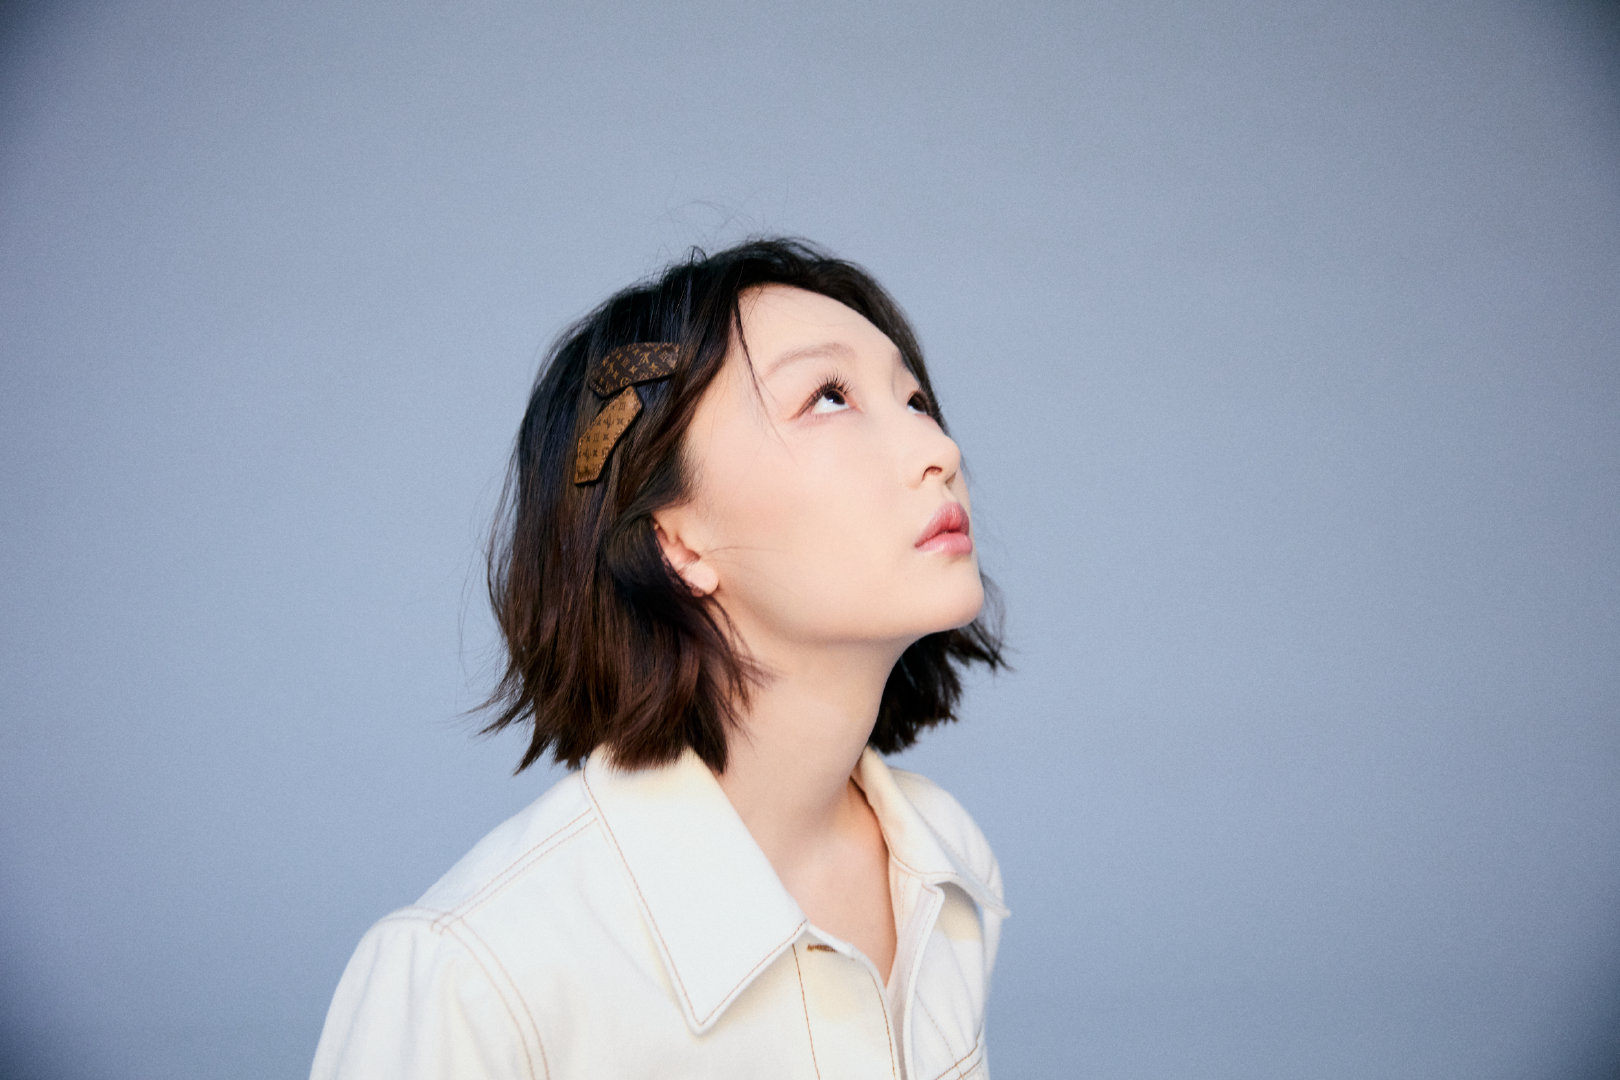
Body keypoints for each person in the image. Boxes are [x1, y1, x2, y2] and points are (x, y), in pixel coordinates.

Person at [310, 238, 1010, 1079]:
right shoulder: (475, 976)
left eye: (916, 399)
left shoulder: (943, 866)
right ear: (675, 541)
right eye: (828, 397)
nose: (940, 450)